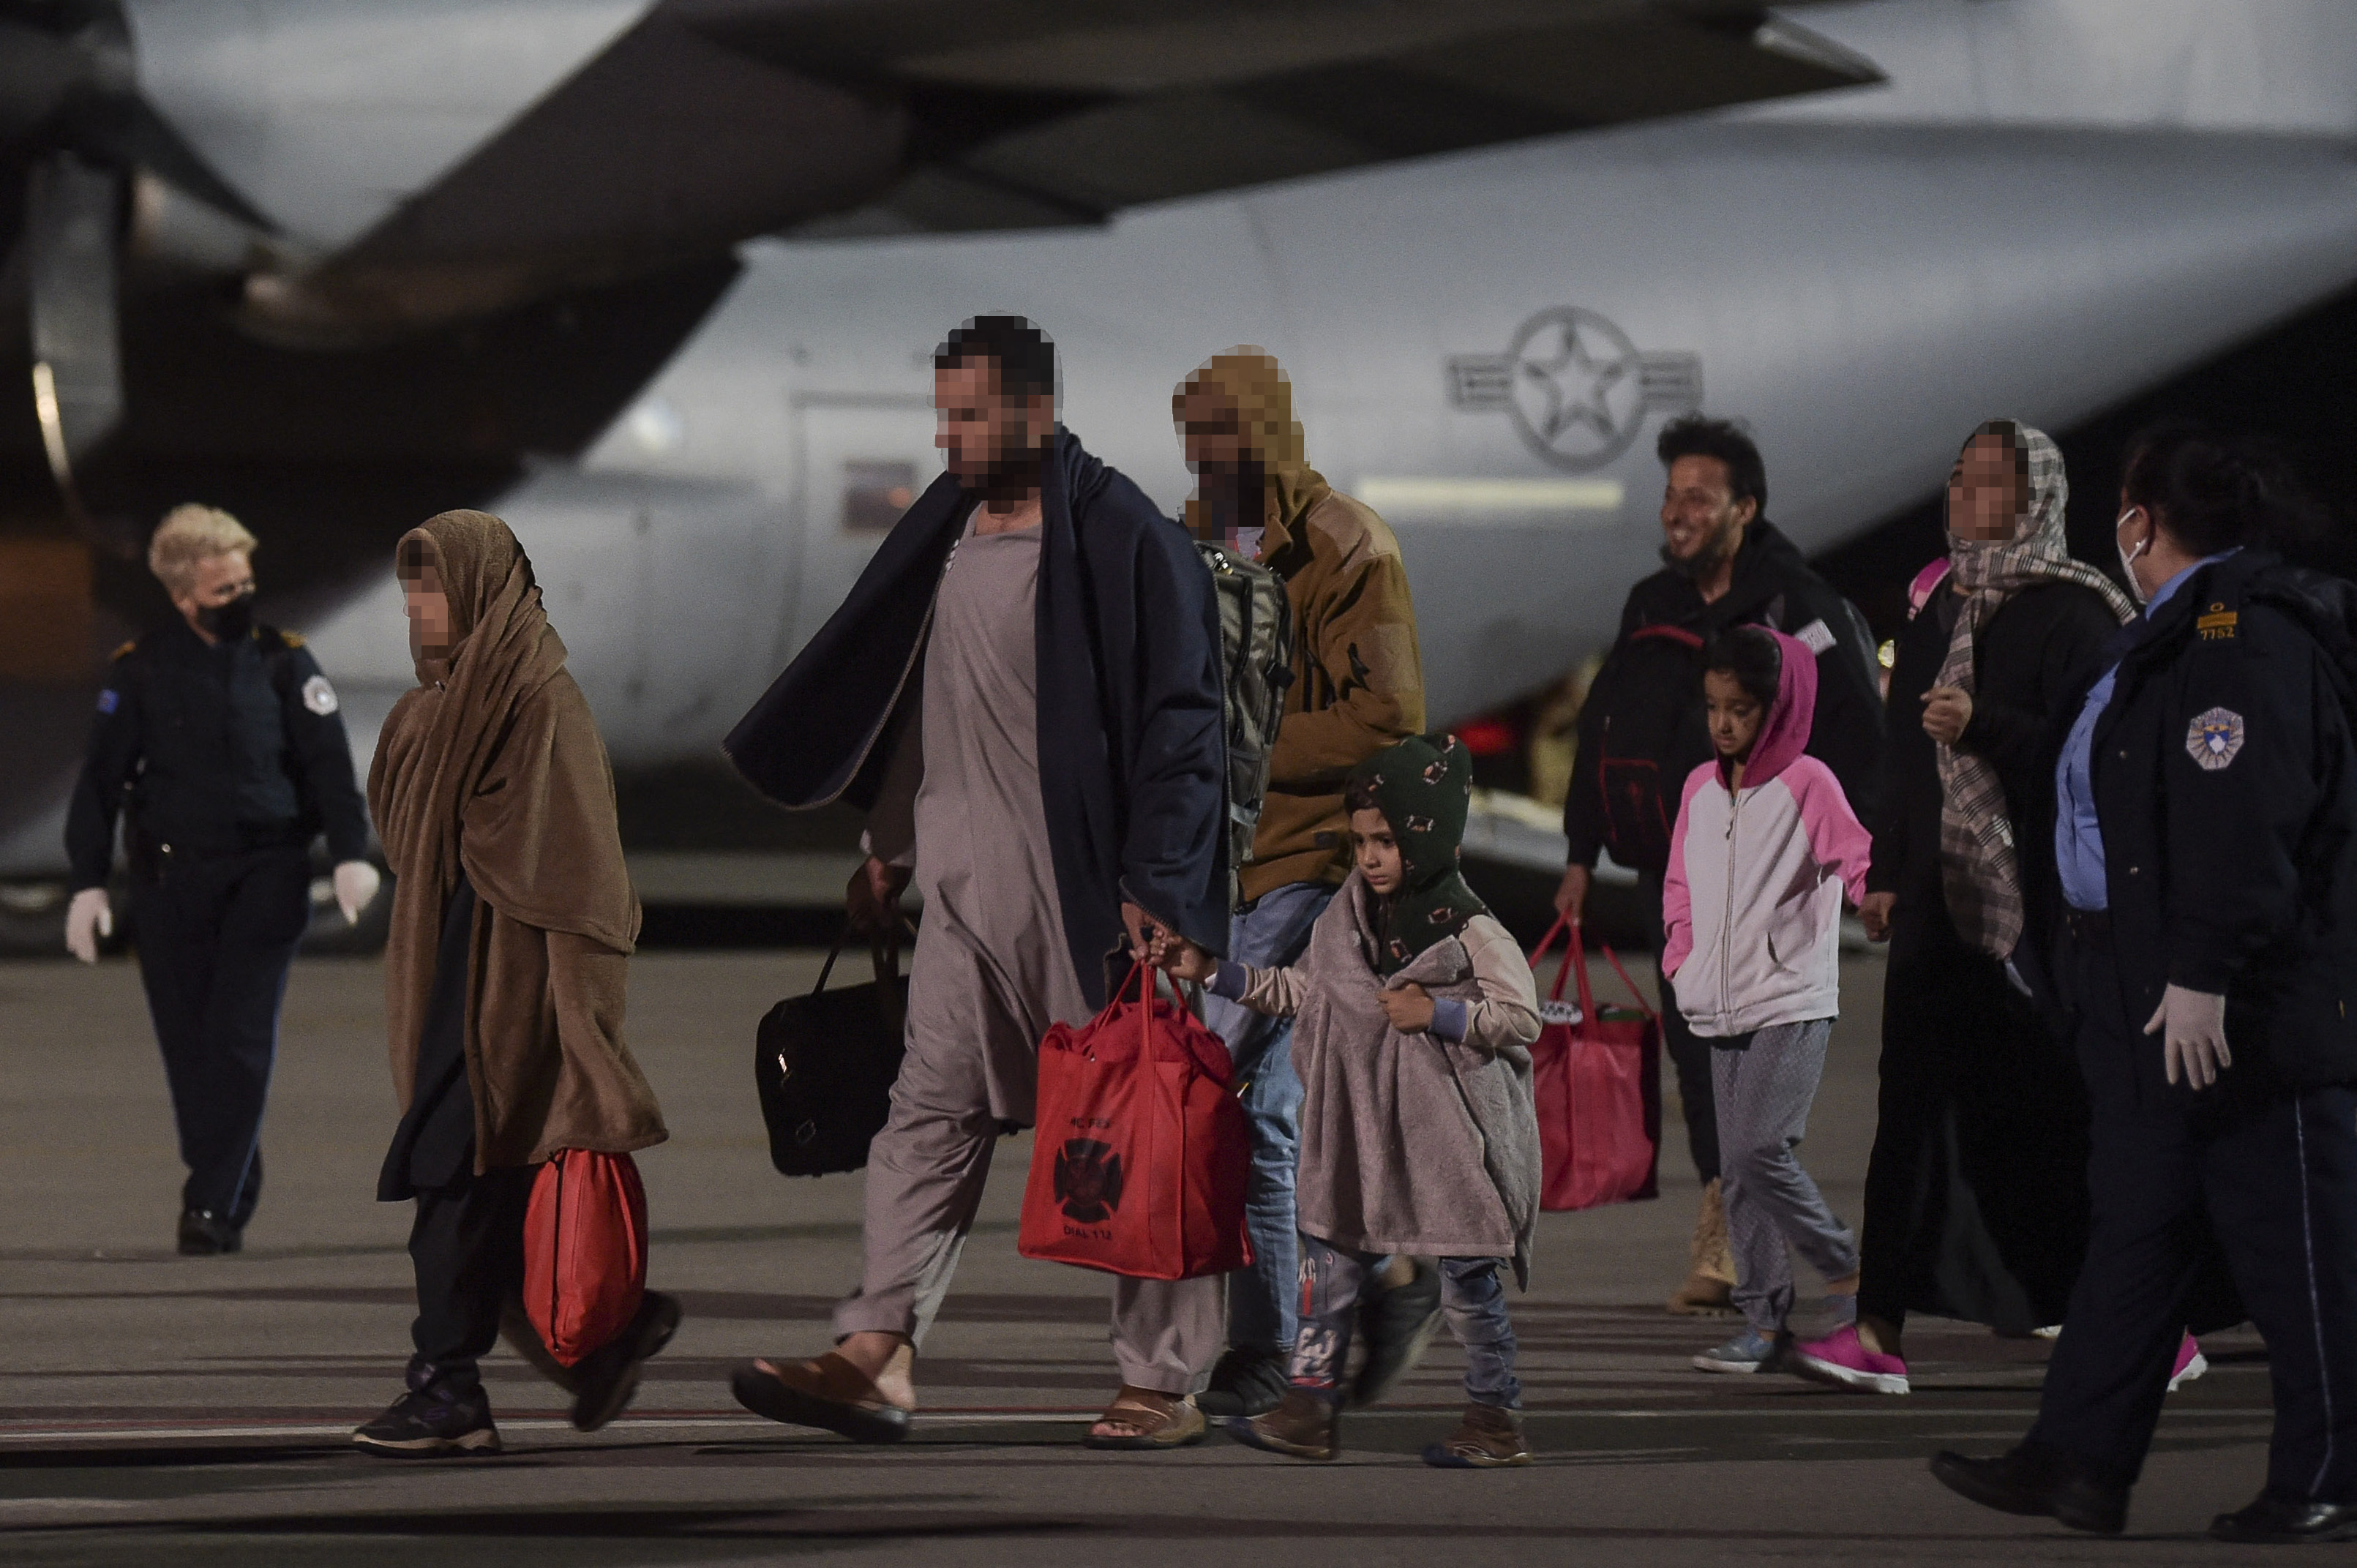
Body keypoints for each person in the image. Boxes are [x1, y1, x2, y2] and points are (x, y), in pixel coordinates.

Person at [722, 316, 1232, 1450]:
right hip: (961, 892)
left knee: (1139, 1126)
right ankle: (877, 1350)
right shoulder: (944, 533)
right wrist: (890, 849)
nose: (947, 436)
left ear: (1035, 412)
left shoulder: (1124, 537)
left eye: (969, 415)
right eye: (942, 414)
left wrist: (1161, 883)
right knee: (925, 1118)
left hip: (1091, 900)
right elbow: (920, 696)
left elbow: (1183, 725)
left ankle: (1164, 1379)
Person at [1930, 425, 2357, 1543]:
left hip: (2245, 1009)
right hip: (2141, 993)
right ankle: (2077, 1458)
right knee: (2137, 1228)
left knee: (2298, 1243)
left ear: (2140, 519)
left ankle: (2329, 1471)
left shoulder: (2238, 637)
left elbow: (2242, 821)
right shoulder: (2168, 634)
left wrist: (2204, 970)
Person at [1791, 421, 2129, 1395]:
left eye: (1985, 481)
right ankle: (1877, 1329)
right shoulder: (1939, 604)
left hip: (2042, 908)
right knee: (1906, 1110)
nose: (1961, 495)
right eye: (1956, 478)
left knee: (2048, 1111)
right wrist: (1886, 869)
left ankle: (2142, 1320)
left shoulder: (2078, 613)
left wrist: (1988, 726)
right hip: (1938, 902)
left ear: (2033, 499)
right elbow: (1905, 755)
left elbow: (2098, 756)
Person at [355, 509, 678, 1456]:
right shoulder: (439, 709)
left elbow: (586, 880)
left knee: (446, 1176)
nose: (415, 607)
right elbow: (406, 836)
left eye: (431, 587)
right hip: (447, 978)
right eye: (410, 589)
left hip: (510, 996)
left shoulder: (540, 705)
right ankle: (607, 1343)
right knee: (484, 1193)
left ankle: (445, 1388)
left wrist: (584, 1022)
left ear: (480, 591)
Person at [1556, 415, 1884, 1314]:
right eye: (1671, 496)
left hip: (1771, 886)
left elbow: (1861, 737)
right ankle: (1729, 1240)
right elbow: (1600, 727)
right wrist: (1579, 851)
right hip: (1677, 874)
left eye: (1698, 498)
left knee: (1754, 1090)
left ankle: (1794, 1253)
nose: (1677, 512)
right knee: (1697, 1060)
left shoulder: (1796, 607)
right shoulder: (1650, 603)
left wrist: (1854, 869)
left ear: (1745, 507)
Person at [1155, 735, 1543, 1466]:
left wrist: (1439, 1015)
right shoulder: (1345, 915)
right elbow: (1304, 991)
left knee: (1468, 1287)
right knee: (1324, 1270)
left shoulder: (1469, 928)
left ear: (1428, 835)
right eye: (1361, 841)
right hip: (1356, 1130)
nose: (1370, 857)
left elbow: (1521, 1017)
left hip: (1450, 1141)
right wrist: (1210, 971)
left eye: (1386, 841)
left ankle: (1495, 1418)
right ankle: (1308, 1408)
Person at [1171, 347, 1434, 1419]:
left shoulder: (1347, 545)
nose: (1204, 458)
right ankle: (1382, 1278)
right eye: (1193, 438)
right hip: (1222, 870)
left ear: (1268, 433)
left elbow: (1390, 715)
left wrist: (1245, 752)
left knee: (1238, 1094)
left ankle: (1266, 1344)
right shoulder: (1192, 540)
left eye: (1222, 435)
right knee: (1257, 1109)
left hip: (1314, 864)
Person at [64, 503, 378, 1255]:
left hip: (265, 875)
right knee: (190, 1052)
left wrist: (350, 854)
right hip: (170, 882)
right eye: (222, 590)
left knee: (237, 1039)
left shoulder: (285, 662)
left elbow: (328, 766)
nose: (241, 599)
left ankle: (209, 1205)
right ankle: (229, 1179)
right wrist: (87, 881)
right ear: (183, 597)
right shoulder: (140, 669)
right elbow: (101, 782)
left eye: (245, 583)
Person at [1662, 627, 1871, 1374]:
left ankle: (1844, 1265)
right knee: (1737, 1166)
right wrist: (1681, 958)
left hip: (1789, 999)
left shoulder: (1807, 782)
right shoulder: (1698, 787)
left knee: (1757, 1150)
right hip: (1719, 1003)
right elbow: (1679, 885)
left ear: (1776, 708)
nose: (1722, 724)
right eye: (1713, 707)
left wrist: (1875, 897)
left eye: (1740, 709)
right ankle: (1762, 1322)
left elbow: (1855, 856)